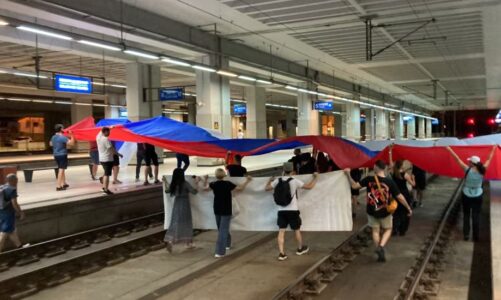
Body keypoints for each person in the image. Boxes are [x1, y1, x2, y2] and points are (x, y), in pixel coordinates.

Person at [344, 160, 412, 262]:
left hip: (372, 211)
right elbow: (400, 197)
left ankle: (379, 250)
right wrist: (408, 208)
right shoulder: (389, 182)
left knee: (375, 231)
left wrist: (348, 174)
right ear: (384, 168)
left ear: (375, 167)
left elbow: (354, 186)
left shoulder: (369, 179)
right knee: (388, 229)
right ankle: (381, 246)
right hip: (386, 211)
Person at [265, 162, 318, 261]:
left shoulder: (277, 181)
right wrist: (316, 178)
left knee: (281, 231)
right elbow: (309, 187)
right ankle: (300, 249)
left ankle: (281, 253)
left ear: (283, 170)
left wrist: (269, 180)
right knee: (297, 230)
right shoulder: (294, 181)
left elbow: (266, 188)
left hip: (281, 210)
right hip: (293, 210)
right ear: (292, 170)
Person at [446, 146, 496, 242]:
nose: (468, 162)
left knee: (466, 215)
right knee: (476, 215)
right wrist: (493, 149)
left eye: (470, 162)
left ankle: (466, 235)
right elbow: (489, 158)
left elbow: (457, 159)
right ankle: (476, 236)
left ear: (472, 163)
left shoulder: (467, 170)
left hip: (466, 195)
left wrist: (449, 149)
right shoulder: (482, 170)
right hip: (478, 195)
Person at [204, 169, 251, 258]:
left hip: (217, 209)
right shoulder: (228, 184)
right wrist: (247, 181)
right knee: (223, 229)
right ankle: (227, 244)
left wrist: (205, 179)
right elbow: (240, 188)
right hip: (226, 210)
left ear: (215, 175)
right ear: (224, 175)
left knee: (221, 230)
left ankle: (220, 252)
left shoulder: (213, 184)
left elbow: (205, 189)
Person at [163, 168, 200, 253]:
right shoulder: (185, 183)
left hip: (176, 204)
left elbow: (167, 190)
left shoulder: (173, 184)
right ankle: (188, 243)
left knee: (175, 222)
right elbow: (194, 192)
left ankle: (171, 241)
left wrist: (165, 182)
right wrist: (197, 182)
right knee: (186, 222)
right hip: (185, 204)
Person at [0, 174, 27, 252]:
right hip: (8, 213)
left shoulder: (2, 187)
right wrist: (20, 213)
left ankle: (19, 247)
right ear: (13, 181)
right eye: (16, 181)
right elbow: (14, 203)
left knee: (11, 231)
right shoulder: (12, 190)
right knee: (3, 233)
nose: (17, 183)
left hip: (1, 212)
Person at [390, 160, 415, 236]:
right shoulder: (405, 175)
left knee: (396, 212)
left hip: (396, 194)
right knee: (405, 212)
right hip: (404, 194)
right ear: (402, 165)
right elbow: (413, 184)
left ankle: (394, 229)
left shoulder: (393, 172)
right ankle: (402, 230)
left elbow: (391, 164)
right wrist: (413, 178)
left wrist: (390, 152)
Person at [97, 127, 123, 195]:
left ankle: (104, 187)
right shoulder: (106, 139)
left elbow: (101, 130)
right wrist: (119, 154)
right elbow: (112, 149)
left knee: (106, 173)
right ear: (105, 132)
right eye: (108, 132)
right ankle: (106, 189)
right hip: (107, 159)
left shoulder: (98, 137)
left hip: (102, 159)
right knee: (107, 175)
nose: (109, 133)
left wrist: (110, 127)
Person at [50, 124, 74, 191]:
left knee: (61, 168)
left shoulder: (53, 137)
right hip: (62, 154)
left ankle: (64, 183)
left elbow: (51, 144)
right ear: (61, 129)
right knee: (61, 169)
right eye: (63, 128)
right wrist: (72, 135)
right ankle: (58, 186)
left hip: (56, 154)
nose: (64, 129)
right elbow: (71, 143)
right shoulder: (62, 137)